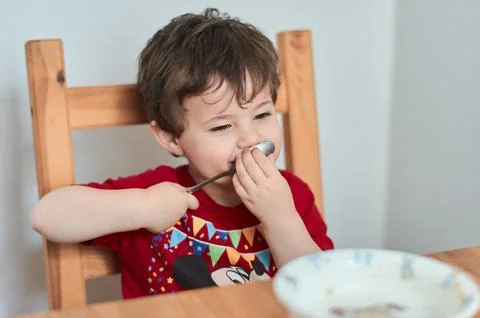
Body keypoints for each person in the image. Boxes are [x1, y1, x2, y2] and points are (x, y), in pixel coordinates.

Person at [31, 8, 334, 299]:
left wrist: (281, 219)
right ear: (171, 138)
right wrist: (144, 207)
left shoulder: (292, 196)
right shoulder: (152, 194)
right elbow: (47, 216)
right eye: (221, 127)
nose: (251, 138)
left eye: (262, 115)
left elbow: (324, 293)